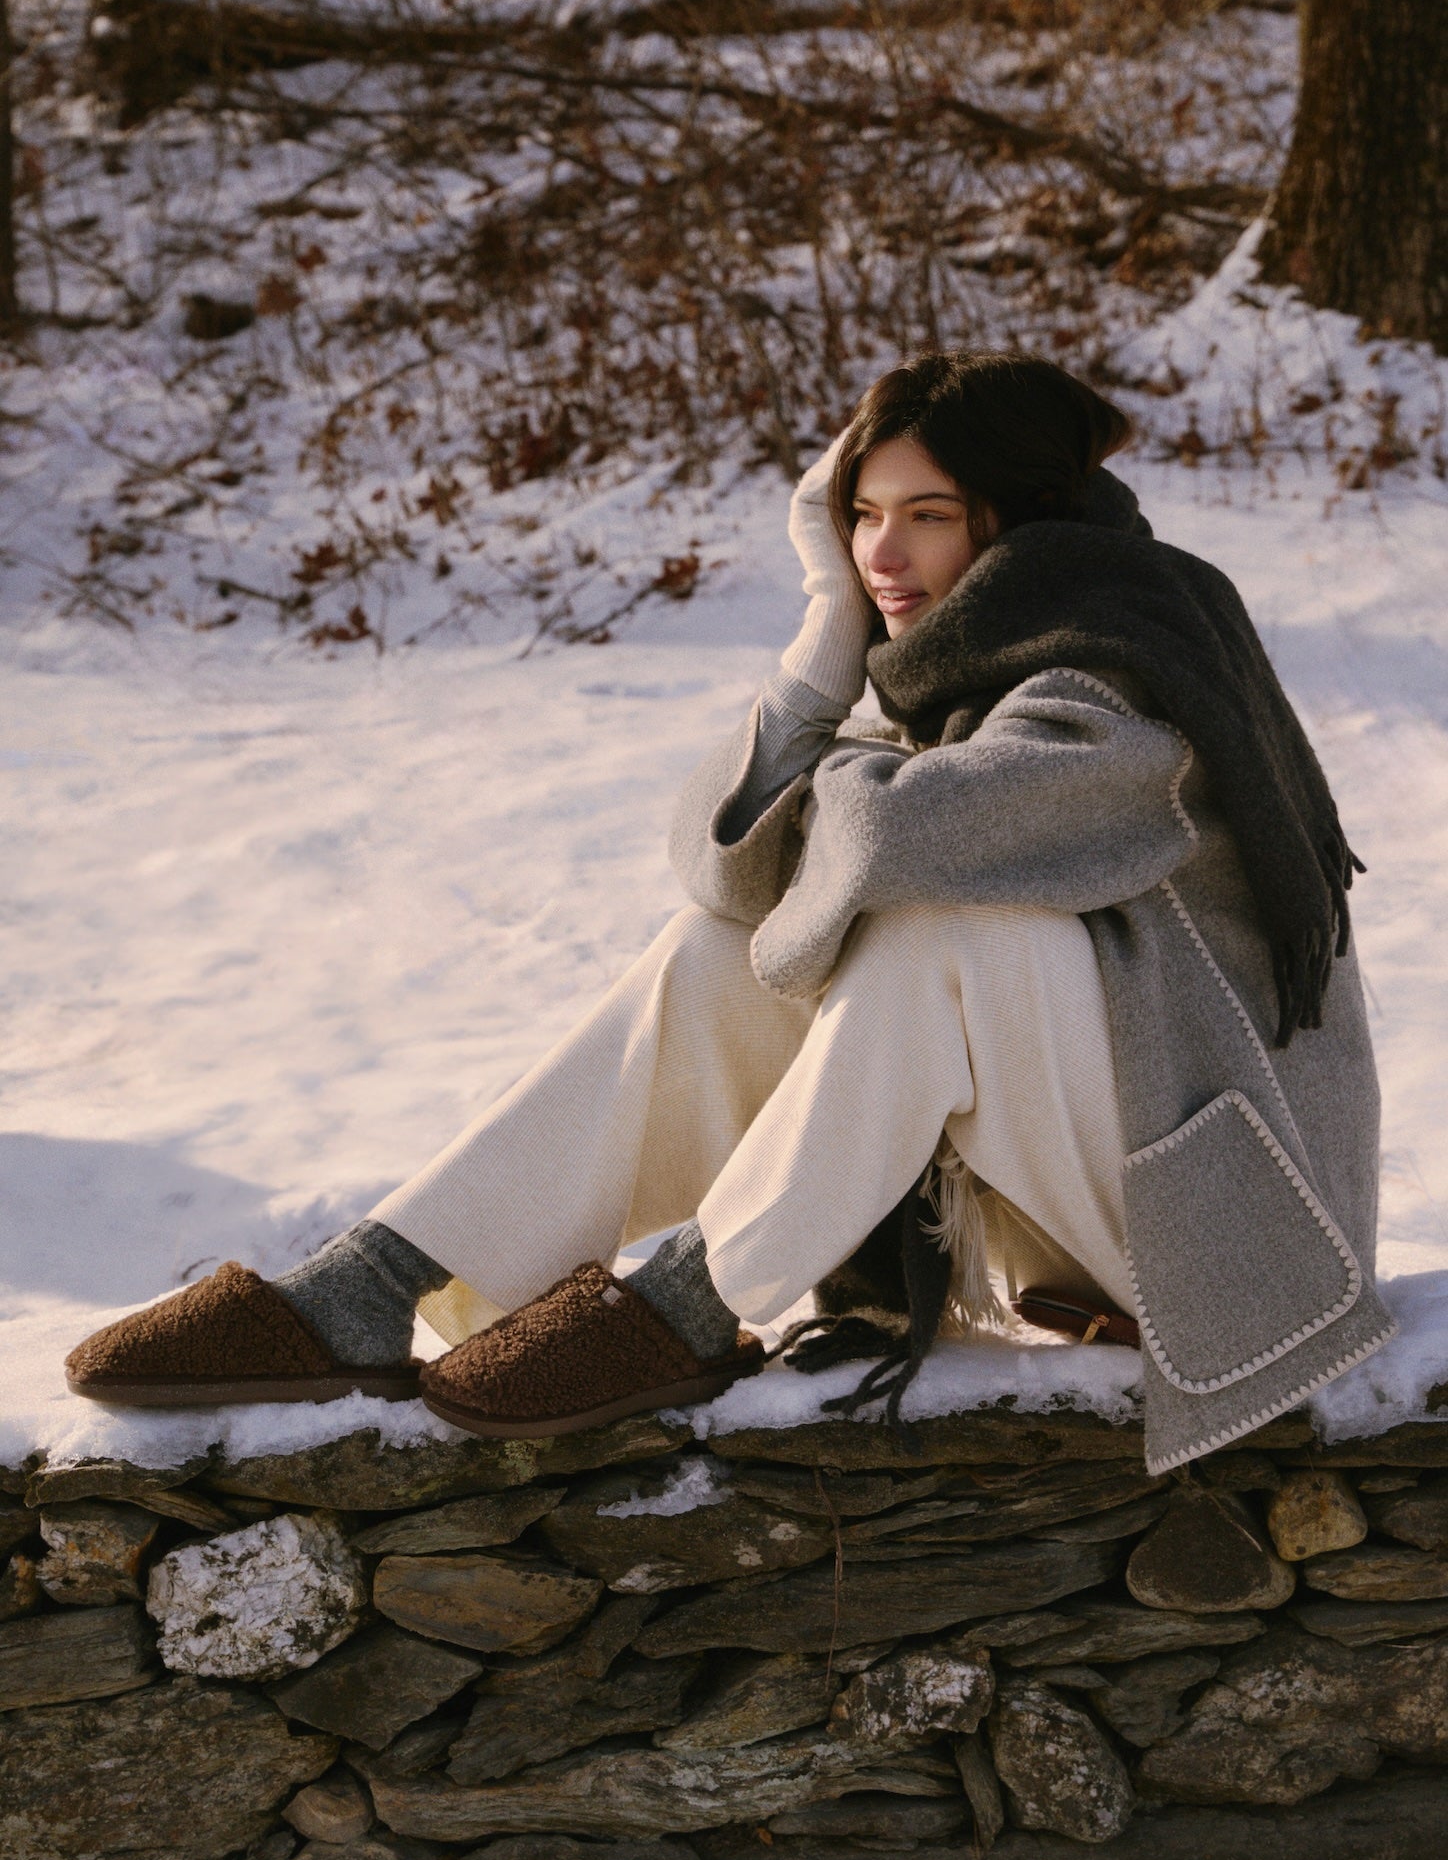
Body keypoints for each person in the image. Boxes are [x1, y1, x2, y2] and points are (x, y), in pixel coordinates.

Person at [65, 351, 1394, 1475]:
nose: (880, 552)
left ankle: (701, 1297)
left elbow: (907, 834)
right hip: (1083, 1191)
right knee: (722, 955)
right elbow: (729, 879)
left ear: (1017, 521)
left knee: (951, 927)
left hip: (1237, 1224)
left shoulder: (1131, 654)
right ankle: (375, 1282)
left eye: (926, 515)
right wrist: (823, 645)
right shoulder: (954, 668)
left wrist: (838, 776)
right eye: (860, 517)